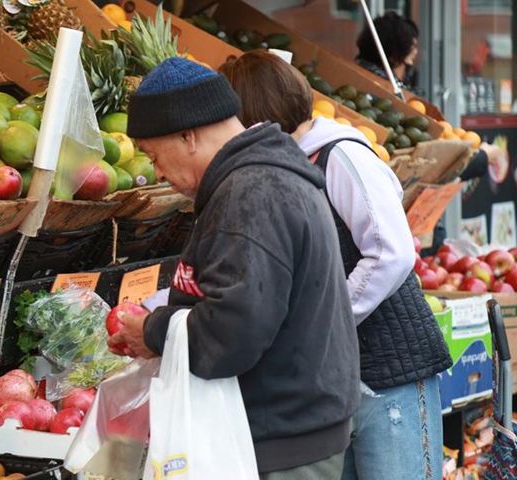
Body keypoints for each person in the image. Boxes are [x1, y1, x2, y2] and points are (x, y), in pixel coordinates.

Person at [107, 57, 361, 479]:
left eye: (155, 156)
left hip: (279, 442)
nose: (157, 172)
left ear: (188, 136)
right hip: (284, 430)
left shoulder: (252, 192)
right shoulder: (259, 179)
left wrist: (152, 332)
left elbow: (233, 332)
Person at [219, 50, 453, 480]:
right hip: (336, 383)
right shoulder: (284, 166)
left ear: (253, 114)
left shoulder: (341, 156)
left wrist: (329, 317)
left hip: (388, 372)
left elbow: (391, 251)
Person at [357, 12, 502, 255]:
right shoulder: (394, 101)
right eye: (411, 54)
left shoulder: (357, 83)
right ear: (396, 57)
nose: (415, 60)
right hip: (399, 223)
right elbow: (437, 159)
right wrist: (484, 157)